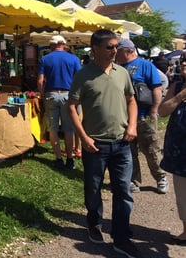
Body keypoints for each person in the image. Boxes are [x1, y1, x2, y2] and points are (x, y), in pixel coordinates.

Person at [67, 29, 140, 258]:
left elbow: (131, 100)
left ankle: (122, 238)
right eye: (110, 47)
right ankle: (94, 223)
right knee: (93, 189)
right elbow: (71, 106)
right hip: (95, 144)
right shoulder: (83, 75)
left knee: (123, 191)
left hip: (122, 143)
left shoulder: (122, 73)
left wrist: (132, 126)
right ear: (95, 49)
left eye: (116, 46)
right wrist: (83, 137)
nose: (115, 50)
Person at [115, 38, 168, 194]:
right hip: (124, 117)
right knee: (129, 151)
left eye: (118, 50)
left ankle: (161, 177)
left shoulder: (145, 65)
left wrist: (154, 110)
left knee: (151, 149)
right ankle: (133, 180)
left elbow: (157, 88)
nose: (115, 53)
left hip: (143, 116)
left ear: (128, 51)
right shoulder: (117, 68)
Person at [37, 35, 81, 170]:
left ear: (52, 45)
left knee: (53, 128)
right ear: (63, 44)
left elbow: (40, 81)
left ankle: (58, 159)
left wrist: (43, 95)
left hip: (51, 94)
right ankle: (70, 159)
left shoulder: (45, 59)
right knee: (68, 129)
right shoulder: (74, 59)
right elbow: (79, 79)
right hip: (68, 95)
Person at [159, 52, 186, 245]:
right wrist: (182, 95)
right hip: (179, 150)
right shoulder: (176, 86)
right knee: (182, 194)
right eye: (183, 60)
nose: (184, 63)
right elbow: (162, 111)